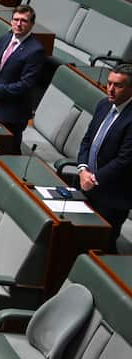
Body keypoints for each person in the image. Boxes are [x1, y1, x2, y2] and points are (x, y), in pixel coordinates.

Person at [76, 63, 132, 251]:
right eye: (109, 83)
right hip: (88, 184)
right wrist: (83, 169)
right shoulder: (103, 105)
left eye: (118, 85)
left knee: (103, 244)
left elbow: (125, 160)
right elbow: (87, 140)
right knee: (80, 236)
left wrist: (95, 179)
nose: (110, 89)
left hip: (113, 194)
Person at [0, 5, 45, 147]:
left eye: (24, 21)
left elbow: (25, 85)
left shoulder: (35, 50)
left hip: (13, 114)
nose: (19, 24)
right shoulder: (5, 38)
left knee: (8, 152)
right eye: (16, 19)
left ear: (32, 24)